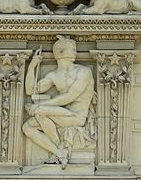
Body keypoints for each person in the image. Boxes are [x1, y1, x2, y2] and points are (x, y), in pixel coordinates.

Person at [22, 36, 95, 166]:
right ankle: (59, 151)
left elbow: (70, 96)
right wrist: (32, 67)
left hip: (76, 116)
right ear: (60, 52)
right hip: (60, 114)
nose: (76, 52)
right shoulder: (54, 75)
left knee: (39, 111)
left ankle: (60, 149)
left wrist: (40, 105)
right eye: (72, 49)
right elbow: (30, 90)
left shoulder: (84, 71)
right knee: (27, 127)